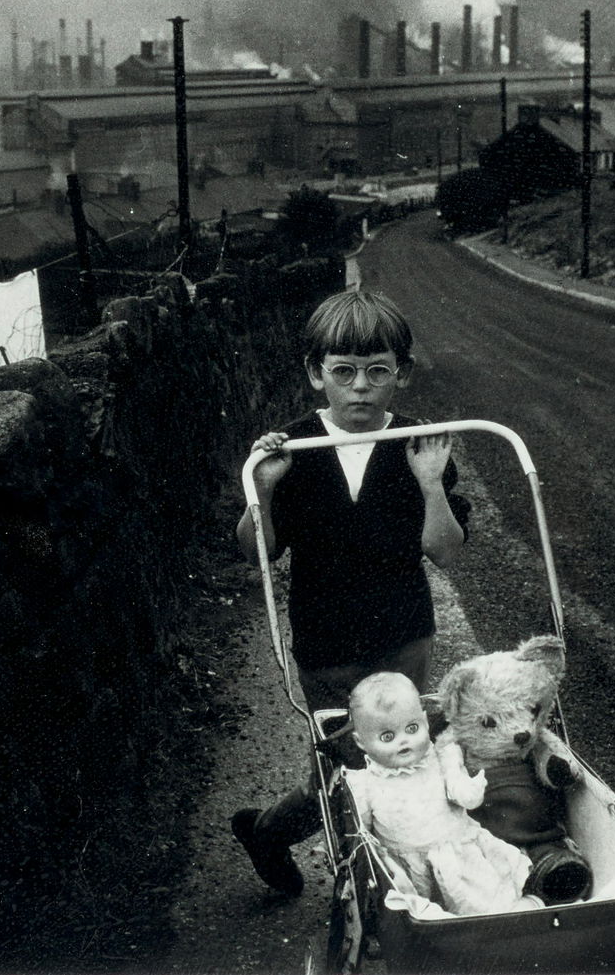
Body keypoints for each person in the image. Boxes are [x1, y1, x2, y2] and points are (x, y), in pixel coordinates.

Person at [230, 288, 470, 896]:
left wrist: (431, 485)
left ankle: (394, 878)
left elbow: (445, 551)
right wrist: (264, 489)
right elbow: (256, 551)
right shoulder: (293, 447)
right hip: (327, 639)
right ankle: (284, 838)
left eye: (376, 372)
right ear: (317, 374)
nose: (360, 387)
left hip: (404, 632)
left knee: (404, 758)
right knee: (350, 765)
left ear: (401, 374)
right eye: (344, 372)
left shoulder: (420, 443)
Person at [343, 672, 537, 915]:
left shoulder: (442, 756)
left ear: (425, 722)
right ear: (361, 742)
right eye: (387, 736)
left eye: (412, 728)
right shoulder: (365, 783)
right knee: (412, 910)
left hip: (456, 854)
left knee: (483, 900)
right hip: (407, 865)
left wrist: (469, 790)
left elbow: (462, 793)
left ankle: (515, 911)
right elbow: (362, 831)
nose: (403, 741)